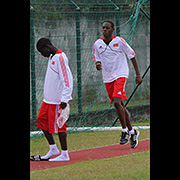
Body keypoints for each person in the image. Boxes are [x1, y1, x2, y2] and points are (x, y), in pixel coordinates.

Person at [92, 21, 142, 148]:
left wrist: (137, 74)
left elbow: (132, 55)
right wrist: (98, 65)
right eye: (103, 28)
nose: (104, 30)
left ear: (113, 30)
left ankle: (124, 131)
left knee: (116, 102)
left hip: (121, 74)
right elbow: (97, 61)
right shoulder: (97, 44)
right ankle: (133, 132)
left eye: (107, 28)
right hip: (108, 78)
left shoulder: (119, 41)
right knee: (120, 105)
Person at [35, 37, 73, 161]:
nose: (42, 55)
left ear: (47, 47)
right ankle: (53, 149)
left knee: (60, 126)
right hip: (48, 100)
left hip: (58, 101)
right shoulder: (52, 57)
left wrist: (64, 98)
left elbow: (67, 79)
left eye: (42, 52)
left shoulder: (60, 58)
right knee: (41, 121)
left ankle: (64, 154)